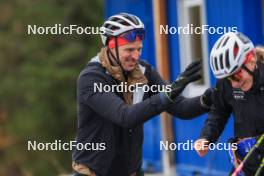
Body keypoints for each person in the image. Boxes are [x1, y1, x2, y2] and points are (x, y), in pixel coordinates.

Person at [72, 13, 213, 176]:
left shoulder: (144, 72)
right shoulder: (91, 78)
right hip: (93, 172)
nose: (136, 56)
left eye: (139, 49)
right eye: (129, 50)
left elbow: (182, 108)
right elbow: (125, 116)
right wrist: (167, 94)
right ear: (111, 45)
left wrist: (209, 98)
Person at [194, 32, 264, 175]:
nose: (232, 84)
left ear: (251, 61)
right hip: (246, 160)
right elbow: (219, 111)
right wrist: (206, 137)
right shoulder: (227, 83)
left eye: (235, 76)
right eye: (227, 78)